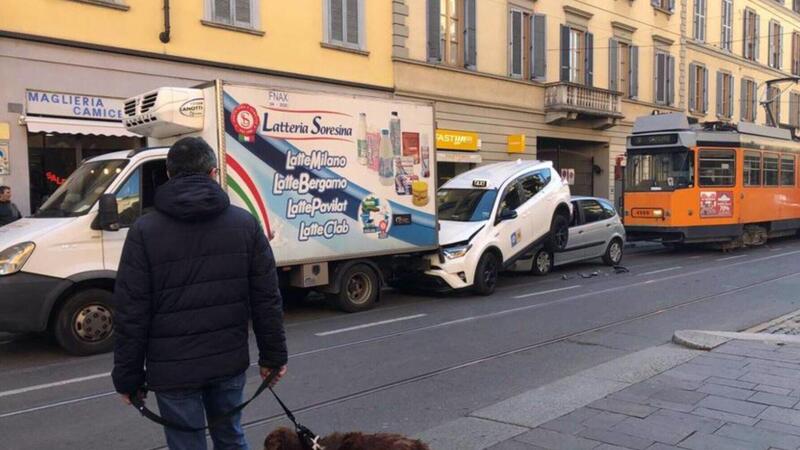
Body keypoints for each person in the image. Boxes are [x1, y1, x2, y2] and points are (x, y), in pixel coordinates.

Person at [112, 137, 287, 450]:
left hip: (172, 370)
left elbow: (131, 311)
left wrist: (129, 377)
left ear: (168, 174)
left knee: (186, 444)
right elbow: (266, 298)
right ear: (213, 173)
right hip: (228, 362)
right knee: (231, 437)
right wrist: (273, 357)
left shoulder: (144, 231)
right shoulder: (245, 224)